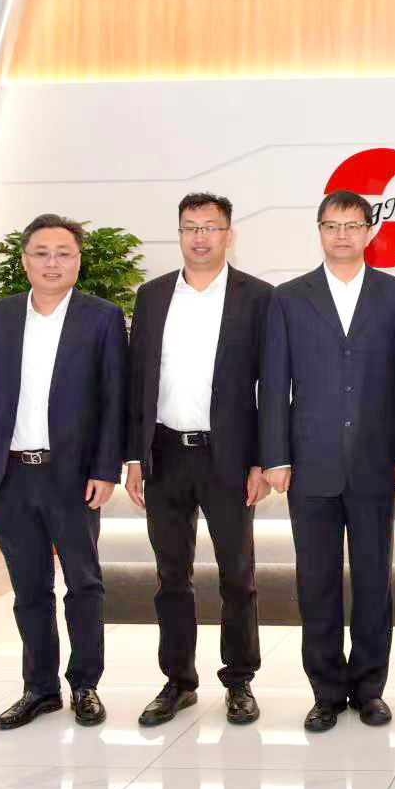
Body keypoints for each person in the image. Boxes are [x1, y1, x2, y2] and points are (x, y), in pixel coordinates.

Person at [260, 190, 395, 733]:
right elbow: (274, 383)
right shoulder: (288, 298)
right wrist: (275, 455)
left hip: (376, 462)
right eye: (332, 225)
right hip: (310, 464)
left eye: (352, 225)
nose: (342, 235)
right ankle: (326, 691)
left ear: (370, 231)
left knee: (374, 581)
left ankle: (369, 688)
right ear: (320, 231)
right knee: (317, 582)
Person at [0, 213, 126, 730]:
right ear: (25, 261)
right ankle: (39, 689)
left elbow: (114, 400)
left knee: (84, 583)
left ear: (78, 260)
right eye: (41, 253)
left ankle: (85, 685)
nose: (52, 263)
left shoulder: (102, 317)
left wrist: (106, 468)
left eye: (63, 253)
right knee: (29, 589)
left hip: (72, 475)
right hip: (11, 474)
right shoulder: (0, 316)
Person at [125, 192, 273, 728]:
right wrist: (133, 456)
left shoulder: (258, 298)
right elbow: (137, 381)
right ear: (180, 234)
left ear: (229, 235)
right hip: (164, 453)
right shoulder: (152, 296)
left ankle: (239, 680)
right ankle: (178, 681)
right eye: (190, 227)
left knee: (238, 574)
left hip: (227, 457)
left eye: (211, 227)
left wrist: (262, 460)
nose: (200, 237)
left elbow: (271, 385)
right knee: (171, 575)